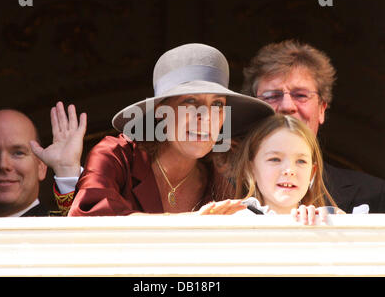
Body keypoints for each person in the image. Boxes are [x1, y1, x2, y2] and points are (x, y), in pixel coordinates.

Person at [68, 43, 274, 216]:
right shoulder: (116, 156)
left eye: (217, 104)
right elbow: (89, 216)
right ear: (161, 111)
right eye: (190, 101)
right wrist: (187, 223)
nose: (206, 116)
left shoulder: (224, 179)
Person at [242, 39, 385, 213]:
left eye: (301, 95)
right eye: (272, 95)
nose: (287, 106)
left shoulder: (374, 193)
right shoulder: (223, 193)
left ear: (322, 109)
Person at [0, 102, 86, 217]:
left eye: (18, 153)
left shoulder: (59, 232)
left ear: (41, 165)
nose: (3, 165)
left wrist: (67, 172)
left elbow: (85, 233)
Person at [231, 114, 341, 225]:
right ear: (251, 169)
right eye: (275, 159)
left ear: (312, 173)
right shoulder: (234, 221)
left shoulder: (325, 220)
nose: (289, 171)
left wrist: (340, 223)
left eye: (301, 161)